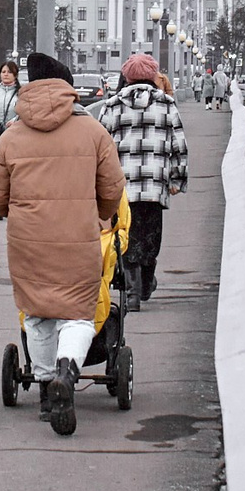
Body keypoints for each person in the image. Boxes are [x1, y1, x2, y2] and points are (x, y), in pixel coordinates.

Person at [0, 53, 125, 437]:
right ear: (67, 89)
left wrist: (12, 211)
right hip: (79, 239)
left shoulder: (12, 135)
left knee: (37, 313)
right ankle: (68, 370)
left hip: (27, 241)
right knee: (78, 314)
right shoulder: (93, 131)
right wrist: (100, 214)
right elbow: (112, 187)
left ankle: (47, 389)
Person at [97, 53, 187, 312]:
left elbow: (100, 146)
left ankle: (132, 294)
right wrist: (177, 178)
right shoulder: (166, 104)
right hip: (155, 184)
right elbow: (179, 145)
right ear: (152, 76)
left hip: (122, 186)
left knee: (126, 237)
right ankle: (145, 283)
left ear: (126, 76)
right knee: (150, 236)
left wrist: (99, 182)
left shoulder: (112, 105)